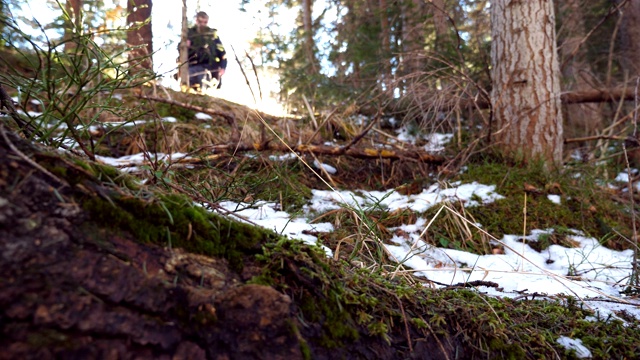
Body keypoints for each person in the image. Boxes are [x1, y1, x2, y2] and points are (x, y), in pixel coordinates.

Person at [186, 11, 227, 91]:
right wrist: (186, 45)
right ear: (196, 21)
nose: (203, 24)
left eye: (205, 22)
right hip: (193, 66)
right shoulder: (189, 34)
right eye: (200, 22)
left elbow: (222, 53)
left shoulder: (212, 35)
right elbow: (181, 51)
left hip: (210, 68)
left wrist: (223, 67)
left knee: (205, 84)